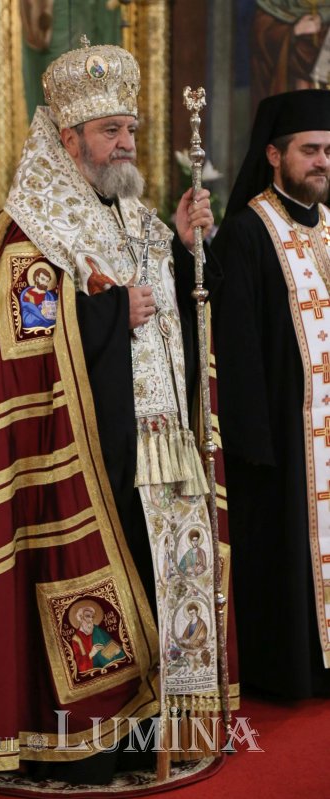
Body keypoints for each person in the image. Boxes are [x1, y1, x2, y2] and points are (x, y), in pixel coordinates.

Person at [0, 39, 229, 787]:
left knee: (163, 580)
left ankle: (162, 721)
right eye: (110, 131)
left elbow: (167, 310)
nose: (126, 144)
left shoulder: (128, 211)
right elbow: (18, 338)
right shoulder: (30, 228)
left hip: (151, 445)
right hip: (75, 459)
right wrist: (112, 312)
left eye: (130, 129)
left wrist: (183, 246)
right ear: (68, 139)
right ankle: (80, 736)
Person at [211, 89, 330, 699]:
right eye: (309, 150)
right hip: (284, 435)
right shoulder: (247, 231)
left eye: (329, 151)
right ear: (274, 155)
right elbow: (236, 347)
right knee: (288, 554)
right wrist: (253, 444)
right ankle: (293, 669)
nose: (322, 162)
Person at [251, 1, 330, 113]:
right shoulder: (274, 4)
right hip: (290, 95)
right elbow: (261, 37)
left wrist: (321, 16)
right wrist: (293, 31)